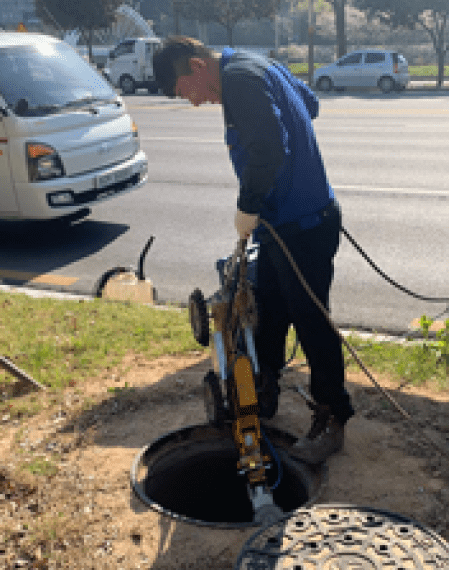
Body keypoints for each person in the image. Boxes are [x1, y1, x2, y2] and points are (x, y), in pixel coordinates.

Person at [152, 37, 354, 465]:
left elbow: (268, 148)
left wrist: (249, 205)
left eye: (185, 91)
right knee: (270, 312)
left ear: (196, 67)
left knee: (312, 323)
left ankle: (333, 417)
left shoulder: (241, 80)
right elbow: (309, 104)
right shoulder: (254, 64)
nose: (193, 103)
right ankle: (262, 392)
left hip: (303, 228)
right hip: (282, 226)